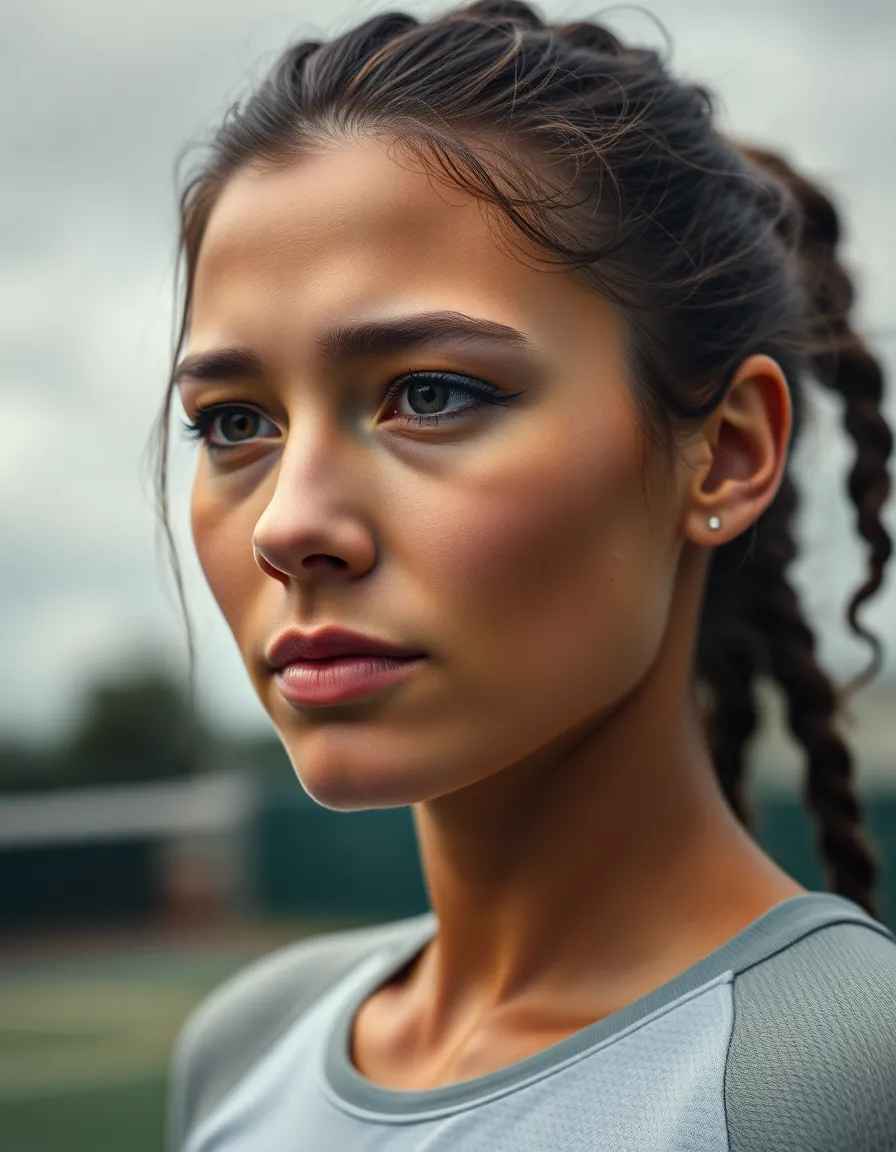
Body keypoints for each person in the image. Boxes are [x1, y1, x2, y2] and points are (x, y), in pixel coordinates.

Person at [156, 2, 896, 1148]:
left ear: (728, 452)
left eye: (433, 394)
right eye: (234, 420)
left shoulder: (838, 1075)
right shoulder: (244, 1047)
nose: (290, 524)